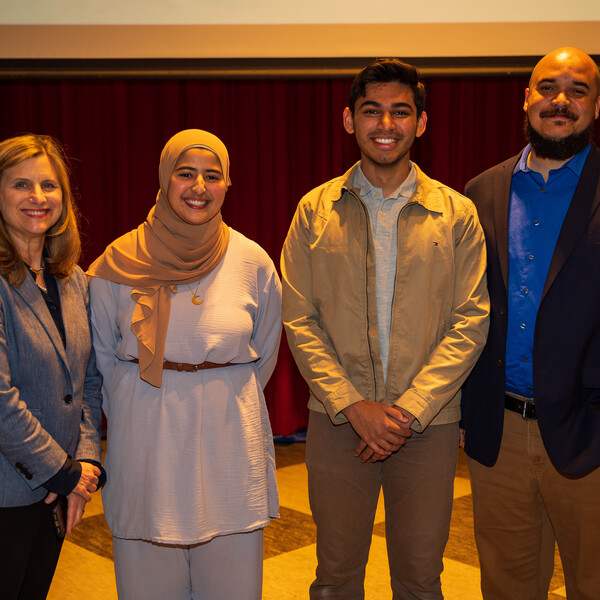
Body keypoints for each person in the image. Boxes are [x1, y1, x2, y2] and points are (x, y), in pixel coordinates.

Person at [281, 58, 490, 599]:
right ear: (348, 120)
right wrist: (354, 405)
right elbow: (299, 318)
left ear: (421, 123)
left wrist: (411, 409)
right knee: (335, 579)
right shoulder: (313, 211)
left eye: (401, 112)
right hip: (337, 422)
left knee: (421, 581)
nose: (386, 124)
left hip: (429, 425)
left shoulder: (457, 213)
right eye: (372, 111)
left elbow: (471, 320)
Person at [88, 129, 281, 600]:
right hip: (146, 442)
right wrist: (149, 406)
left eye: (212, 176)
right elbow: (103, 362)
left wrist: (210, 393)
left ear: (228, 184)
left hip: (228, 442)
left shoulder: (252, 260)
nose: (199, 187)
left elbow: (266, 354)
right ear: (163, 179)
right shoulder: (116, 262)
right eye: (186, 173)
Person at [461, 47, 600, 600]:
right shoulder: (479, 193)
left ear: (596, 105)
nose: (559, 101)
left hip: (590, 432)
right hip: (501, 434)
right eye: (547, 87)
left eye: (578, 89)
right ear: (525, 98)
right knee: (506, 588)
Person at [0, 134, 104, 600]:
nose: (38, 198)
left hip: (56, 493)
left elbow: (87, 383)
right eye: (21, 184)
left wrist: (84, 462)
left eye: (49, 185)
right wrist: (60, 471)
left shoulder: (73, 279)